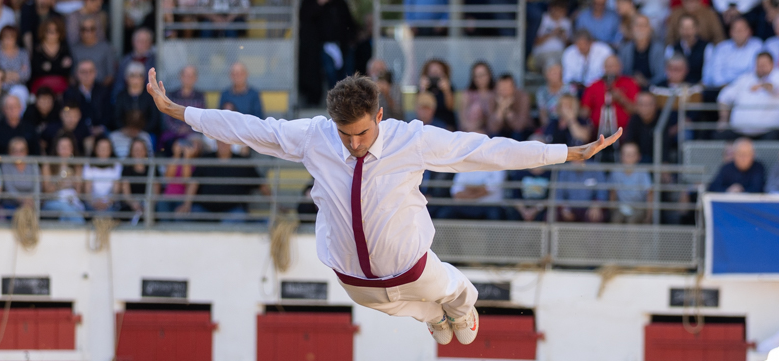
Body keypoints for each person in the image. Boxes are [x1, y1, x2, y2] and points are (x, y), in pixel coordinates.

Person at [147, 69, 621, 344]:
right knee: (395, 308)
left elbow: (483, 149)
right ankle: (435, 316)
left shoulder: (410, 139)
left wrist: (563, 152)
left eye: (362, 133)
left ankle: (461, 304)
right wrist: (181, 112)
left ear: (379, 116)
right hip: (355, 279)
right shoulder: (315, 136)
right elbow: (252, 128)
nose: (353, 144)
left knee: (448, 286)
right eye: (344, 134)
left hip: (413, 266)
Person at [716, 51, 779, 139]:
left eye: (764, 65)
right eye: (758, 65)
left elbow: (775, 89)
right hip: (739, 132)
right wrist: (723, 119)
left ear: (772, 64)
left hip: (770, 132)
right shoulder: (746, 78)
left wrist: (762, 85)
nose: (761, 68)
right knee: (719, 135)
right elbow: (724, 97)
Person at [582, 54, 639, 135]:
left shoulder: (630, 83)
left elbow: (636, 110)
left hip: (625, 132)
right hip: (597, 132)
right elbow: (585, 111)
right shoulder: (594, 85)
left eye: (613, 66)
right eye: (607, 66)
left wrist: (621, 99)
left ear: (620, 67)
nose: (610, 69)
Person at [703, 17, 762, 91]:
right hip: (723, 88)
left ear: (749, 31)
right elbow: (716, 70)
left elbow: (755, 70)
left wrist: (740, 86)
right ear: (731, 32)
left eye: (742, 30)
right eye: (736, 30)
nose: (739, 33)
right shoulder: (722, 47)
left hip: (747, 88)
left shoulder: (757, 46)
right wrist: (723, 85)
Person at [41, 132, 85, 222]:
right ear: (57, 148)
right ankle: (80, 227)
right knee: (66, 208)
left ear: (72, 149)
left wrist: (74, 180)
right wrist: (59, 184)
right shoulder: (48, 165)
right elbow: (46, 191)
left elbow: (79, 191)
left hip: (72, 200)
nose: (65, 150)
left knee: (68, 211)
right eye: (62, 147)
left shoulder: (77, 166)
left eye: (68, 147)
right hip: (53, 201)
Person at [160, 63, 202, 152]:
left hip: (192, 134)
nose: (188, 79)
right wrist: (178, 129)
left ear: (196, 78)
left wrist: (188, 129)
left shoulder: (200, 96)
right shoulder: (172, 95)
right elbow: (167, 118)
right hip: (174, 133)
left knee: (194, 146)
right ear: (181, 77)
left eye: (191, 76)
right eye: (186, 75)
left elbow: (201, 118)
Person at [607, 140, 652, 222]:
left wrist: (649, 216)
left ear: (638, 156)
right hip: (620, 207)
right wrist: (612, 212)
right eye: (626, 154)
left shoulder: (643, 172)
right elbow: (612, 193)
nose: (628, 157)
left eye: (632, 155)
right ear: (621, 156)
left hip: (638, 207)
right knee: (615, 220)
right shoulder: (616, 171)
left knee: (632, 221)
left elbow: (649, 193)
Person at [65, 59, 113, 133]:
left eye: (90, 71)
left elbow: (108, 113)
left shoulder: (104, 91)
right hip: (78, 131)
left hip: (100, 131)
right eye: (83, 72)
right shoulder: (70, 93)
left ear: (95, 73)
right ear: (77, 74)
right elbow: (68, 113)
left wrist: (101, 127)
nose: (87, 75)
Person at [664, 14, 713, 85]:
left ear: (697, 29)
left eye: (690, 28)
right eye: (683, 28)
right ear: (679, 29)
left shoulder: (707, 48)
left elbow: (708, 76)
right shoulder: (671, 48)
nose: (686, 32)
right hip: (675, 89)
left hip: (698, 89)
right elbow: (668, 73)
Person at [620, 14, 665, 89]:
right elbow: (621, 73)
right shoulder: (625, 49)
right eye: (637, 25)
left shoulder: (659, 49)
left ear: (649, 29)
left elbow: (661, 75)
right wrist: (632, 80)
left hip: (652, 89)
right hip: (629, 89)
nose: (640, 28)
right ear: (632, 29)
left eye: (644, 25)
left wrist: (646, 82)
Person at [83, 134, 124, 214]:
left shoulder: (116, 165)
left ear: (111, 150)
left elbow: (116, 191)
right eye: (101, 148)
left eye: (106, 148)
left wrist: (107, 203)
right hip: (92, 203)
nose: (104, 151)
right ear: (95, 149)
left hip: (110, 204)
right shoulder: (88, 165)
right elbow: (87, 191)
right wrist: (93, 203)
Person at [30, 17, 71, 96]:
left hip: (61, 85)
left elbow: (67, 70)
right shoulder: (37, 48)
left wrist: (49, 67)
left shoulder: (64, 47)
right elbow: (36, 70)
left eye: (56, 31)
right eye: (50, 31)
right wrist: (59, 65)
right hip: (41, 85)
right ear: (44, 31)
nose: (53, 34)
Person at [71, 15, 116, 86]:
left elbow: (110, 75)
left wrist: (99, 91)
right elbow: (72, 75)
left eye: (91, 29)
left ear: (96, 30)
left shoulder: (106, 48)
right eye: (84, 29)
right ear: (79, 30)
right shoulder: (74, 49)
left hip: (101, 89)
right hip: (79, 90)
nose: (87, 33)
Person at [486, 73, 532, 139]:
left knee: (517, 134)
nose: (504, 92)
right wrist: (500, 110)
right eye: (501, 88)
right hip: (501, 131)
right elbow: (493, 128)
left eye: (507, 88)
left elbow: (519, 126)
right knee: (494, 136)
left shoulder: (523, 97)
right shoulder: (491, 98)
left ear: (514, 88)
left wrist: (508, 111)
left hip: (522, 131)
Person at [0, 136, 38, 211]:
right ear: (10, 152)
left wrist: (29, 200)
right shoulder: (6, 166)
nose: (18, 154)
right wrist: (23, 200)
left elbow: (37, 187)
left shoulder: (33, 166)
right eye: (15, 151)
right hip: (11, 204)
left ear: (26, 152)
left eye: (21, 150)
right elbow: (9, 188)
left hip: (31, 203)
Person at [0, 25, 30, 92]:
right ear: (1, 38)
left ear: (16, 39)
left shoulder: (23, 53)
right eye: (6, 37)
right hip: (0, 86)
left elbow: (26, 74)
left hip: (19, 87)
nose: (8, 40)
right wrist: (16, 73)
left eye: (11, 37)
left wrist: (5, 74)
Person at [419, 58, 456, 129]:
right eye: (432, 72)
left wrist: (447, 91)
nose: (435, 75)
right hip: (427, 123)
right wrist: (422, 90)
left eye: (438, 72)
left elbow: (450, 106)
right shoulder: (423, 87)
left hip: (445, 123)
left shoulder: (449, 87)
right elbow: (419, 107)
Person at [459, 60, 494, 134]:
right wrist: (470, 128)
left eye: (482, 75)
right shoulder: (468, 94)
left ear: (489, 75)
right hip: (468, 131)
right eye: (476, 76)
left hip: (490, 132)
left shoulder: (495, 94)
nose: (479, 79)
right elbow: (462, 118)